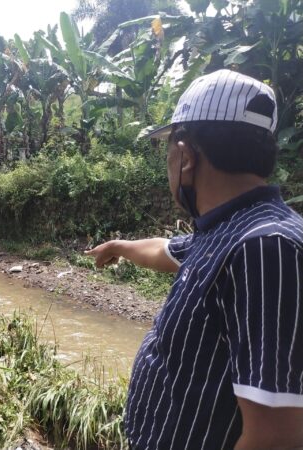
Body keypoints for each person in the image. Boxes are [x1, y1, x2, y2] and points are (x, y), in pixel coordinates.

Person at [86, 69, 303, 449]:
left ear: (185, 155)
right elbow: (164, 250)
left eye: (169, 148)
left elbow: (276, 437)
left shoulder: (265, 248)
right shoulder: (229, 230)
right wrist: (118, 246)